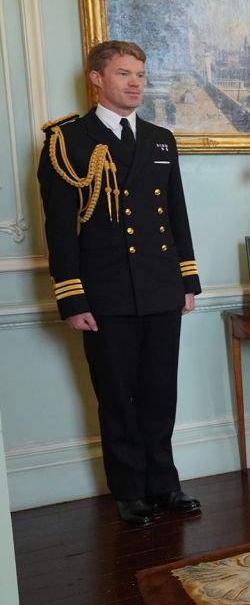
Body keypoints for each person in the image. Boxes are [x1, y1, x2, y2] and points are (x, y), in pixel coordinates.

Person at [36, 40, 203, 528]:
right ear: (97, 79)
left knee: (159, 393)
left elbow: (176, 215)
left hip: (158, 287)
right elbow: (60, 227)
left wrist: (186, 280)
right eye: (124, 74)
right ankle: (129, 492)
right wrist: (71, 296)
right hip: (104, 293)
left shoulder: (158, 139)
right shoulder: (67, 141)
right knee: (117, 396)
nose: (135, 83)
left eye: (141, 76)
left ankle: (164, 485)